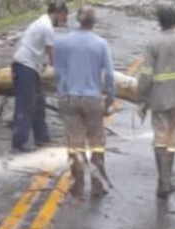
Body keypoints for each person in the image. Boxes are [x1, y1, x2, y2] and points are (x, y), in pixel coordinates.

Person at [137, 5, 175, 198]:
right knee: (172, 141)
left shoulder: (154, 44)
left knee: (160, 140)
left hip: (160, 99)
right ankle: (167, 182)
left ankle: (162, 183)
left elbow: (146, 75)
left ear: (159, 22)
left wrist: (141, 98)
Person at [54, 5, 115, 199]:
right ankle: (97, 185)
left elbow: (58, 72)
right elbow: (109, 75)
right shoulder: (101, 44)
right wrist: (109, 99)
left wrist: (61, 94)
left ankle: (77, 185)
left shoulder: (63, 42)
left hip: (70, 97)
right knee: (96, 143)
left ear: (77, 20)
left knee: (75, 143)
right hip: (92, 98)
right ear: (93, 22)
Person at [11, 1, 68, 152]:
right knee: (25, 105)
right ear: (57, 13)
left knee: (39, 104)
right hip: (25, 67)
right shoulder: (46, 26)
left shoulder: (42, 22)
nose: (62, 21)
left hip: (31, 67)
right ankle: (19, 143)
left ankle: (42, 138)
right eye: (63, 17)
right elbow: (52, 54)